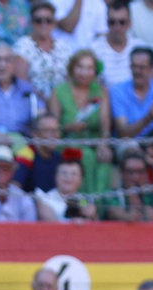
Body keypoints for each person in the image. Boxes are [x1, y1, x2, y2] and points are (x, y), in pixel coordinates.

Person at [52, 49, 112, 195]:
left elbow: (105, 122)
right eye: (80, 67)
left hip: (93, 143)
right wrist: (69, 127)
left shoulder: (100, 91)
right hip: (66, 142)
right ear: (72, 68)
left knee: (105, 161)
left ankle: (100, 208)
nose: (84, 72)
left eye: (89, 68)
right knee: (86, 156)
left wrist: (104, 144)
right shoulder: (59, 91)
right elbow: (52, 127)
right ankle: (85, 203)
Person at [112, 47, 153, 139]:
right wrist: (148, 118)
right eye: (134, 66)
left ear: (152, 68)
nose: (137, 71)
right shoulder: (118, 91)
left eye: (142, 67)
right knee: (130, 149)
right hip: (129, 143)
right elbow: (123, 133)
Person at [13, 0, 75, 98]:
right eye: (39, 20)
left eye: (48, 20)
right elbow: (22, 83)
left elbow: (71, 80)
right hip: (32, 101)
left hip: (61, 102)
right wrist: (45, 101)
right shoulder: (22, 46)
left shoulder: (64, 47)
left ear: (54, 24)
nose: (44, 24)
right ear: (32, 23)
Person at [91, 0, 149, 87]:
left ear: (129, 23)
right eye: (112, 22)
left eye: (122, 22)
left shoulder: (140, 47)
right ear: (107, 23)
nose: (117, 27)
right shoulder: (95, 49)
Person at [102, 152, 153, 221]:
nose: (136, 177)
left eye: (140, 171)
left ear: (146, 173)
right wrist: (125, 216)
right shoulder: (113, 196)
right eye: (130, 171)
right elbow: (110, 211)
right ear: (122, 173)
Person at [34, 152, 96, 220]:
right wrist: (74, 225)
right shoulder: (45, 199)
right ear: (55, 176)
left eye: (74, 174)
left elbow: (97, 226)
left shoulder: (84, 200)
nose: (68, 177)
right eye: (64, 173)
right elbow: (52, 226)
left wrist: (92, 215)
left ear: (81, 179)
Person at [23, 113, 62, 191]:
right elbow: (15, 188)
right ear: (35, 134)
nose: (54, 135)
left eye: (56, 130)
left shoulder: (59, 158)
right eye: (48, 130)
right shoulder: (25, 156)